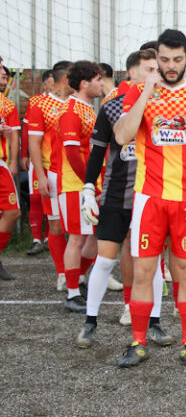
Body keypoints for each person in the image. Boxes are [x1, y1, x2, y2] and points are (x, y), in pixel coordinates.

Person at [114, 29, 186, 367]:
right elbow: (121, 135)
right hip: (150, 198)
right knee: (144, 271)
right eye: (164, 60)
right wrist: (147, 91)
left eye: (177, 59)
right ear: (156, 58)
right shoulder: (137, 91)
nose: (171, 66)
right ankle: (138, 341)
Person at [75, 49, 173, 349]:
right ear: (133, 73)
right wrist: (89, 189)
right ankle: (89, 323)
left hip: (151, 197)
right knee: (105, 261)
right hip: (116, 196)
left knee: (152, 263)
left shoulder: (168, 107)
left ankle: (154, 322)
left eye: (158, 69)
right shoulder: (112, 107)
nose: (156, 75)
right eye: (149, 70)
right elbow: (96, 151)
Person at [55, 60, 103, 312]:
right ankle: (72, 292)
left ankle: (79, 280)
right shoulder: (71, 111)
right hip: (75, 185)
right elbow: (72, 154)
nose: (102, 84)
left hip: (87, 184)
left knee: (92, 236)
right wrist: (89, 184)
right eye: (98, 79)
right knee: (76, 238)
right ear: (84, 83)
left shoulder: (87, 109)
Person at [27, 61, 73, 291]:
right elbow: (33, 143)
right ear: (66, 79)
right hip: (52, 174)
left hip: (76, 175)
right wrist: (41, 176)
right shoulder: (40, 105)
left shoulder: (80, 104)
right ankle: (63, 273)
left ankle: (81, 273)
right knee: (55, 226)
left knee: (83, 229)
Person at [23, 70, 54, 256]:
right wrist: (24, 155)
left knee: (50, 197)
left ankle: (50, 238)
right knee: (35, 197)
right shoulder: (35, 102)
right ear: (44, 85)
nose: (53, 86)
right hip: (38, 159)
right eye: (50, 83)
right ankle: (36, 239)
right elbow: (27, 130)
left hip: (56, 161)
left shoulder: (65, 102)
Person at [0, 67, 21, 280]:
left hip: (1, 165)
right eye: (0, 70)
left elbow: (14, 134)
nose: (4, 74)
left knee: (12, 212)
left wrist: (14, 161)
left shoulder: (7, 105)